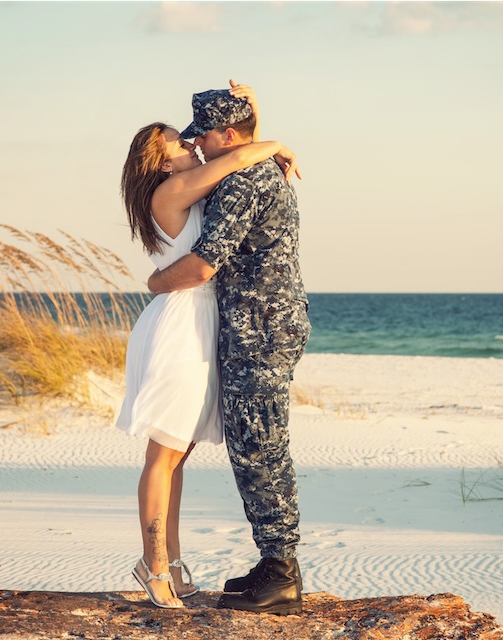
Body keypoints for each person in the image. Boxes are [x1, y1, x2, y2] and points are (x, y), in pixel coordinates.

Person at [115, 82, 300, 610]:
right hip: (181, 324)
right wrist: (277, 143)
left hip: (201, 322)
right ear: (161, 160)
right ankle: (153, 568)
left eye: (194, 138)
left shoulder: (187, 184)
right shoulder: (172, 190)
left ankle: (171, 565)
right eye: (180, 142)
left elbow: (236, 144)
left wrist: (257, 115)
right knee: (164, 455)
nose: (191, 146)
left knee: (175, 456)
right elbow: (237, 150)